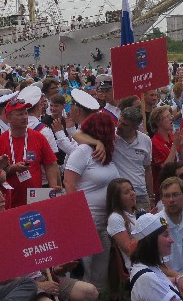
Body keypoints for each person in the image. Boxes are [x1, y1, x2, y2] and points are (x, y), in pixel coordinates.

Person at [64, 112, 120, 293]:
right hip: (86, 220)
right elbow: (69, 182)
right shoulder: (82, 152)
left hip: (104, 221)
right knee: (84, 271)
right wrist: (77, 214)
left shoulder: (107, 152)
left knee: (100, 271)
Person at [0, 98, 60, 208]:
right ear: (9, 118)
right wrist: (13, 168)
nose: (24, 117)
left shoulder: (39, 137)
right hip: (8, 201)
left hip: (34, 199)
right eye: (20, 115)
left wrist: (52, 185)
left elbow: (50, 164)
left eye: (25, 113)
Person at [129, 213, 183, 301]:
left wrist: (180, 279)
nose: (171, 240)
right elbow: (154, 283)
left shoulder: (147, 268)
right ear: (151, 241)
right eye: (166, 235)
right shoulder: (148, 278)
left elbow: (163, 281)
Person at [150, 106, 183, 200]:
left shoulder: (172, 137)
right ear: (158, 122)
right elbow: (165, 168)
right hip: (166, 189)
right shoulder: (154, 142)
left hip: (180, 184)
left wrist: (182, 148)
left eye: (170, 115)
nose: (171, 118)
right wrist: (174, 146)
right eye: (167, 117)